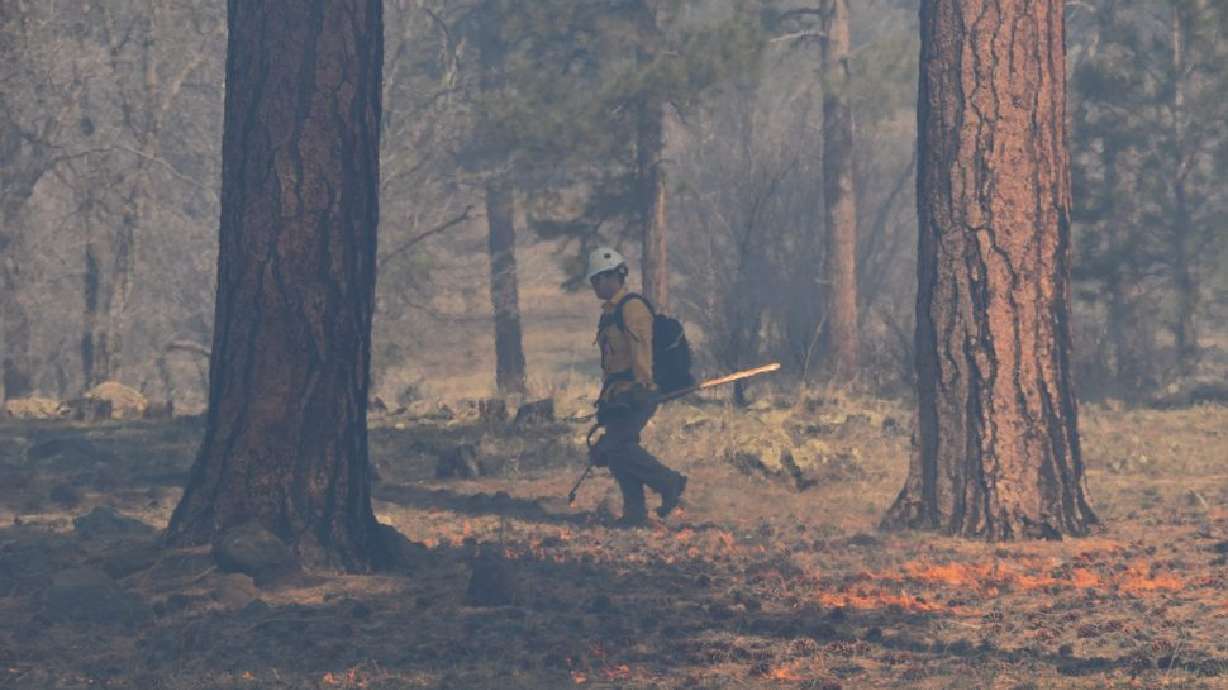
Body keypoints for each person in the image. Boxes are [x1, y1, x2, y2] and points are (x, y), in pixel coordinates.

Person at [586, 246, 686, 526]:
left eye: (597, 280)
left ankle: (670, 483)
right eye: (592, 281)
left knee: (617, 445)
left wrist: (642, 387)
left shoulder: (632, 308)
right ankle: (634, 513)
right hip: (618, 393)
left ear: (613, 278)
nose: (594, 286)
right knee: (616, 451)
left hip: (638, 390)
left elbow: (642, 351)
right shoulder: (610, 313)